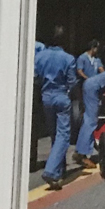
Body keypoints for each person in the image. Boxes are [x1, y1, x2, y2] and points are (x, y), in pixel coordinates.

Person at [34, 28, 77, 190]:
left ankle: (59, 170)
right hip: (61, 96)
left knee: (54, 134)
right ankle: (51, 170)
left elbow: (36, 78)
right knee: (63, 135)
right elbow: (72, 83)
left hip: (46, 97)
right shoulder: (68, 58)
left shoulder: (39, 57)